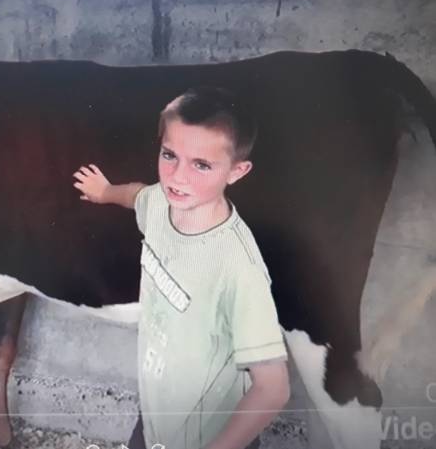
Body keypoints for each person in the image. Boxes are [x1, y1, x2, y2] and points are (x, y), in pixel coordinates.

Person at [73, 86, 290, 449]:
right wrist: (107, 191)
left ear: (237, 171)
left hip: (208, 435)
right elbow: (138, 195)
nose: (177, 177)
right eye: (169, 155)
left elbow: (274, 389)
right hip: (157, 418)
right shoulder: (160, 203)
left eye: (201, 164)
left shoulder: (239, 268)